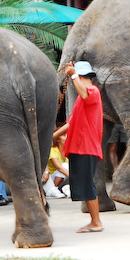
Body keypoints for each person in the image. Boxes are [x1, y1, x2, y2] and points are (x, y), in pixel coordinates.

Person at [53, 60, 105, 234]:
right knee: (83, 184)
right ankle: (94, 220)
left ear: (81, 76)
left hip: (86, 146)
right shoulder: (82, 98)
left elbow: (84, 94)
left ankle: (96, 222)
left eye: (76, 77)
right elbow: (72, 121)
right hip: (79, 147)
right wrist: (53, 137)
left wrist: (72, 75)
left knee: (87, 184)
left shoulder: (92, 92)